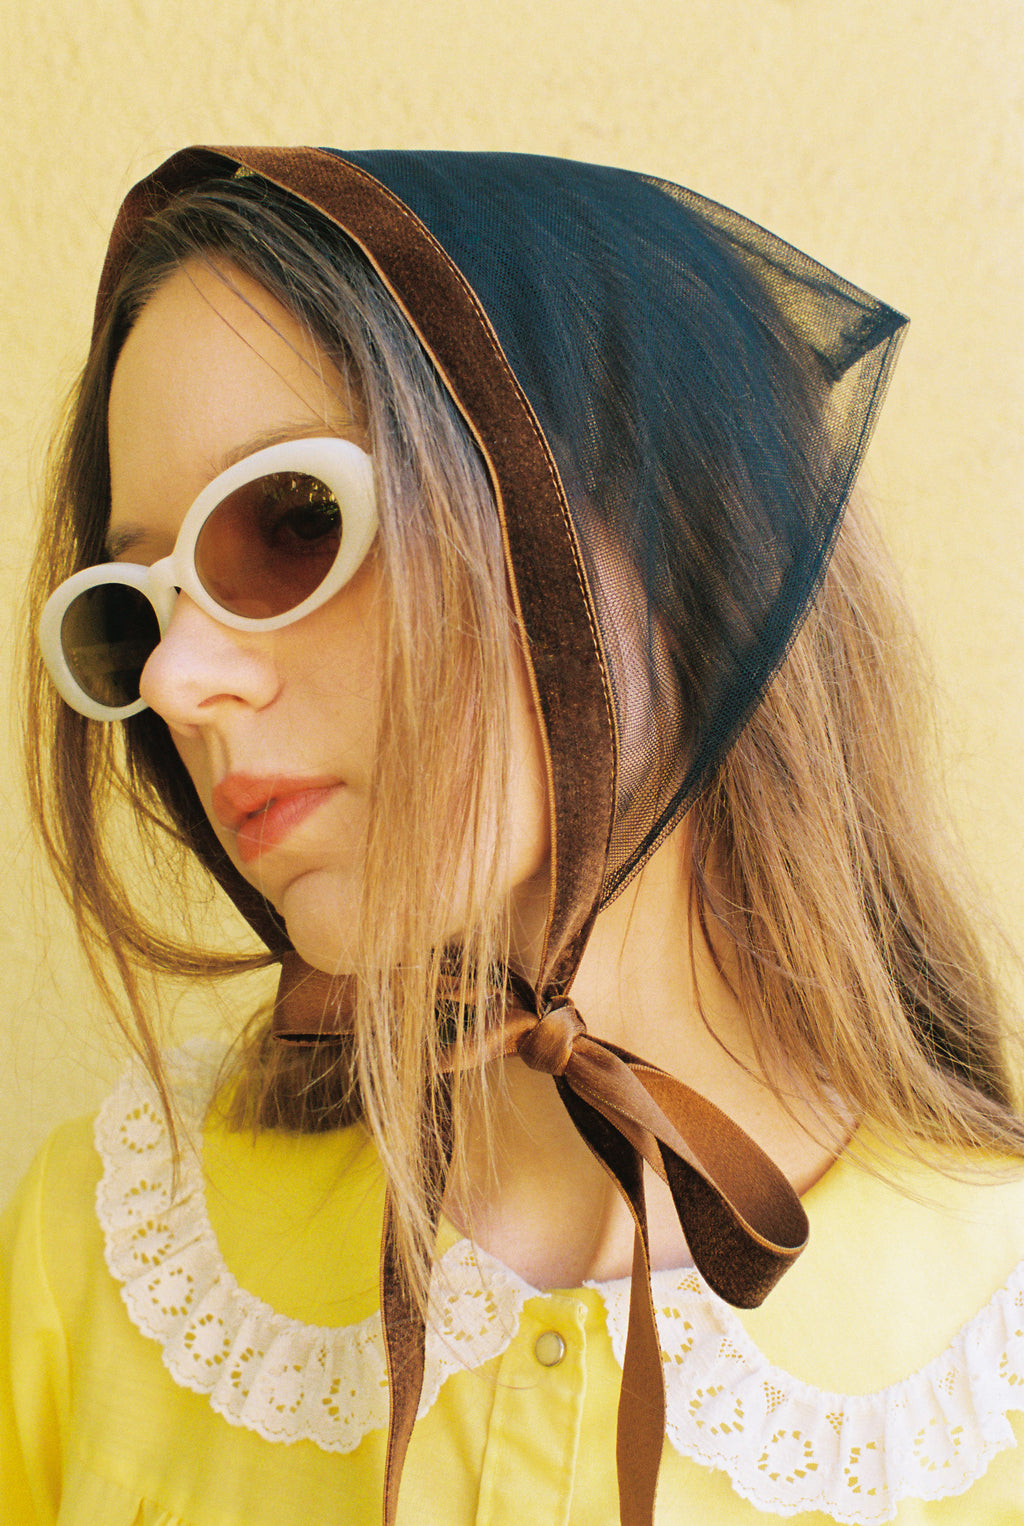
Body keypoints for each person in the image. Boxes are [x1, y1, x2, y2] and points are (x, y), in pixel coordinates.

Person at [4, 146, 1024, 1526]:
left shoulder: (982, 1373)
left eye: (296, 521)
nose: (180, 681)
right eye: (132, 605)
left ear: (671, 539)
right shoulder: (112, 1243)